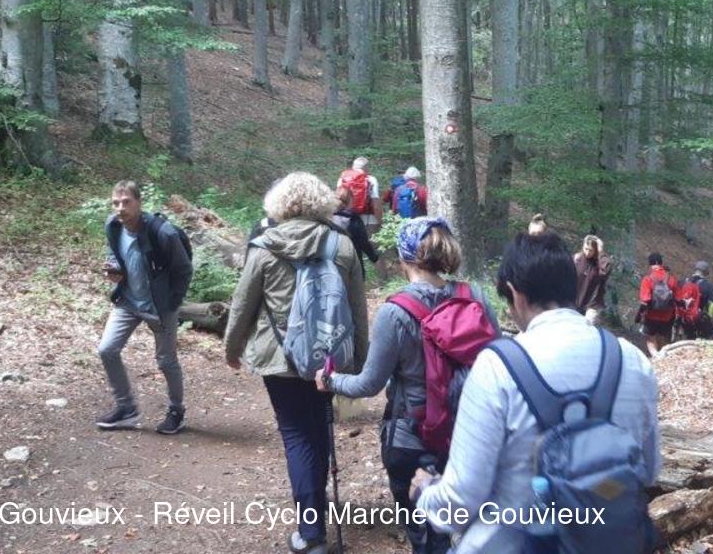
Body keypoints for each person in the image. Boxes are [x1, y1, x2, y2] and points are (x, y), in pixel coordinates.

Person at [411, 232, 660, 554]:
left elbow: (458, 504)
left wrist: (426, 492)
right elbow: (648, 471)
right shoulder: (633, 361)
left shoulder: (497, 367)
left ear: (515, 293)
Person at [315, 217, 496, 554]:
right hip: (471, 435)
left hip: (412, 438)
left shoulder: (395, 312)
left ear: (404, 258)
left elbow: (369, 384)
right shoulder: (475, 298)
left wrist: (331, 380)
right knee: (469, 528)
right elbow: (497, 364)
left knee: (423, 534)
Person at [225, 173, 369, 554]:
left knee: (296, 435)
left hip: (278, 359)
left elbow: (242, 305)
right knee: (318, 429)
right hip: (327, 358)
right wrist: (360, 359)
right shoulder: (341, 245)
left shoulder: (264, 246)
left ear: (280, 203)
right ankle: (315, 511)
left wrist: (232, 348)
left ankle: (311, 532)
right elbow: (357, 309)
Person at [96, 180, 193, 434]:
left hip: (160, 306)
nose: (120, 208)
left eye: (126, 202)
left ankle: (176, 410)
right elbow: (113, 253)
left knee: (166, 361)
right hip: (128, 301)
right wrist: (115, 270)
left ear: (139, 202)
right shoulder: (113, 226)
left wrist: (172, 303)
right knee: (107, 349)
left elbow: (184, 270)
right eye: (116, 203)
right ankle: (126, 408)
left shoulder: (163, 233)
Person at [637, 252, 679, 356]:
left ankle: (656, 356)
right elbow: (677, 298)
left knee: (650, 338)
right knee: (664, 338)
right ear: (661, 262)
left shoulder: (647, 279)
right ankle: (664, 356)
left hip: (651, 315)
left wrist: (639, 315)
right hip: (667, 315)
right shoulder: (671, 279)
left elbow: (645, 300)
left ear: (650, 263)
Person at [334, 185, 380, 272]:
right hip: (353, 262)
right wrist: (374, 257)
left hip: (332, 264)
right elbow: (363, 242)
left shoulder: (327, 218)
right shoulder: (353, 218)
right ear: (350, 201)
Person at [573, 234, 612, 325]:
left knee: (586, 327)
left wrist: (601, 252)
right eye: (586, 249)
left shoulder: (600, 263)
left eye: (591, 250)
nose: (587, 252)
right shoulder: (577, 259)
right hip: (574, 301)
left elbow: (605, 271)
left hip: (592, 305)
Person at [337, 156, 383, 231]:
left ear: (353, 167)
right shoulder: (371, 179)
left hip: (346, 218)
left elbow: (338, 200)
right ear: (366, 168)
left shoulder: (343, 179)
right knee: (367, 238)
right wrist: (380, 221)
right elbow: (376, 205)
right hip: (367, 220)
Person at [679, 261, 713, 340]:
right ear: (706, 271)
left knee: (688, 339)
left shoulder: (683, 282)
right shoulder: (708, 285)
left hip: (684, 318)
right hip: (699, 319)